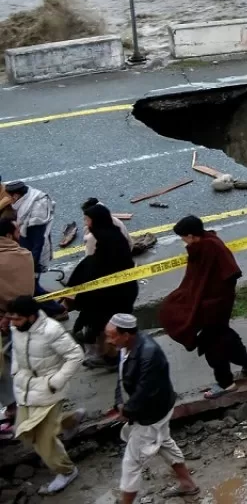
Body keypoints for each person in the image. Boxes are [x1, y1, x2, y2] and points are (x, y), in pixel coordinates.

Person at [158, 215, 247, 400]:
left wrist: (209, 301)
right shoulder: (207, 241)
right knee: (225, 335)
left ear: (191, 235)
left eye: (183, 238)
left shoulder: (209, 247)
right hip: (214, 303)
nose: (183, 242)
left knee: (212, 343)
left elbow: (230, 273)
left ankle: (226, 383)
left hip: (214, 305)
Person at [106, 313, 199, 502]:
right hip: (154, 407)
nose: (108, 340)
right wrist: (120, 404)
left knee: (131, 462)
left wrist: (127, 412)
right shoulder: (126, 347)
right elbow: (122, 378)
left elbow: (145, 391)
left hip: (152, 413)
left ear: (126, 335)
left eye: (112, 335)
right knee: (164, 442)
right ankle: (187, 483)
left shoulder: (149, 354)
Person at [7, 295, 84, 495]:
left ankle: (66, 471)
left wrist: (56, 381)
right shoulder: (17, 328)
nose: (12, 323)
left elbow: (76, 355)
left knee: (42, 439)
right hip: (25, 387)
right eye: (11, 318)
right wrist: (16, 370)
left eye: (17, 319)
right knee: (23, 430)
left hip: (48, 389)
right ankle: (69, 421)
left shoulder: (51, 330)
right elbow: (17, 350)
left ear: (31, 317)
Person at [64, 203, 138, 368]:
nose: (85, 222)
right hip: (120, 291)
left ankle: (112, 359)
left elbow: (95, 268)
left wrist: (78, 293)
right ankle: (111, 356)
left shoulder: (99, 239)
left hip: (112, 295)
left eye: (87, 219)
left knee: (106, 328)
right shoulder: (112, 234)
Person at [0, 219, 35, 425]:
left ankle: (12, 406)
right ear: (9, 235)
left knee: (3, 368)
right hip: (22, 318)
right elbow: (26, 289)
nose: (20, 233)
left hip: (3, 322)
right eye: (17, 230)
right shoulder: (24, 255)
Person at [4, 182, 53, 273]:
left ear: (15, 196)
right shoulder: (26, 197)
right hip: (26, 252)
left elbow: (38, 243)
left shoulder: (36, 214)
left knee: (34, 284)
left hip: (32, 258)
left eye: (9, 197)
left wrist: (31, 267)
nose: (8, 200)